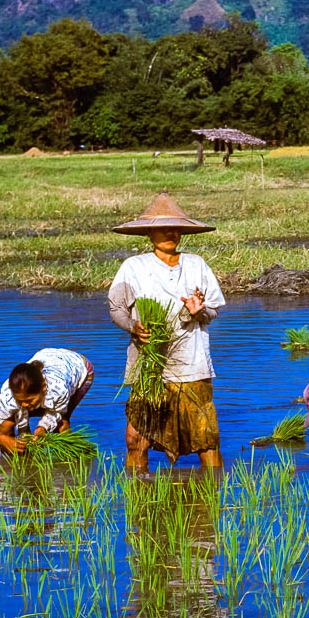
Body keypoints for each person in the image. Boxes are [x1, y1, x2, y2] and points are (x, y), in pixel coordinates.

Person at [108, 192, 225, 470]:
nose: (170, 233)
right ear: (149, 233)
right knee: (136, 438)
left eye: (176, 228)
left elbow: (212, 313)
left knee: (206, 440)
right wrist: (133, 326)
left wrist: (200, 311)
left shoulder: (196, 265)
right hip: (149, 366)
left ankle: (212, 499)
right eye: (162, 228)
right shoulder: (133, 267)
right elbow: (117, 310)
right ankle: (138, 501)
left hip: (191, 365)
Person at [0, 348, 94, 454]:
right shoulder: (8, 396)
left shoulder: (59, 389)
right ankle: (12, 456)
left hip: (79, 367)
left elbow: (56, 412)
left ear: (43, 388)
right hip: (48, 357)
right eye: (20, 401)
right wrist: (0, 438)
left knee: (61, 423)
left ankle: (72, 459)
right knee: (6, 423)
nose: (24, 405)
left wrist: (43, 427)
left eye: (29, 400)